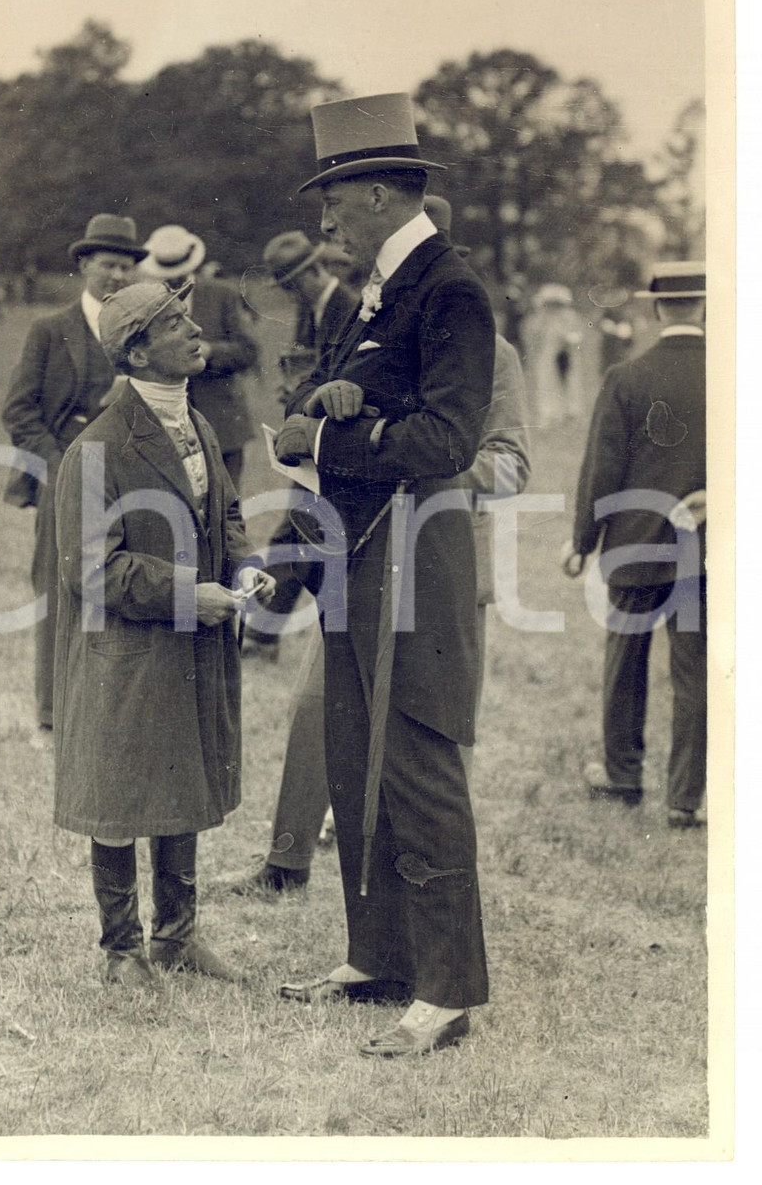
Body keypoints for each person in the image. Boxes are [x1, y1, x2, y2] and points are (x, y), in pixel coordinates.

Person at [274, 92, 496, 1058]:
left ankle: (445, 991)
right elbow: (316, 404)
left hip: (415, 551)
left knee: (416, 760)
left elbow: (447, 437)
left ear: (374, 194)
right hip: (355, 553)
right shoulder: (375, 294)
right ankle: (378, 958)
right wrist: (336, 398)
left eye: (333, 198)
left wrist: (330, 430)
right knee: (354, 755)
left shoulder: (451, 289)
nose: (324, 220)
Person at [229, 202, 530, 895]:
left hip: (442, 566)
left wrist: (409, 463)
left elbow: (511, 463)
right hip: (359, 558)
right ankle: (286, 861)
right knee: (316, 711)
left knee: (435, 738)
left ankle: (428, 883)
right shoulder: (363, 333)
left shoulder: (491, 350)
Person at [52, 281, 276, 987]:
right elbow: (92, 569)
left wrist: (245, 567)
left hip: (189, 647)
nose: (195, 328)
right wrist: (187, 593)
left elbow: (227, 516)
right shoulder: (97, 447)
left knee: (182, 779)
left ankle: (176, 936)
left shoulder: (200, 425)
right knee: (115, 794)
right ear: (138, 350)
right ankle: (121, 949)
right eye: (175, 322)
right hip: (128, 655)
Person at [561, 261, 707, 830]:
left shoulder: (627, 377)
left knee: (625, 665)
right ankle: (685, 800)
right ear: (705, 308)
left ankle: (623, 780)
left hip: (632, 545)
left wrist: (582, 540)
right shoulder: (737, 376)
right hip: (707, 547)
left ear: (654, 308)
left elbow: (602, 468)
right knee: (695, 671)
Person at [1, 213, 145, 732]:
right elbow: (19, 411)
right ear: (84, 265)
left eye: (127, 266)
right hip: (62, 477)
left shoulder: (138, 329)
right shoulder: (50, 330)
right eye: (108, 265)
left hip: (127, 480)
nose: (118, 277)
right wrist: (60, 469)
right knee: (59, 591)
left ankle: (107, 710)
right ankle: (51, 714)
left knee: (124, 591)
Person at [241, 231, 359, 662]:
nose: (292, 295)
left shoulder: (347, 308)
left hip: (334, 442)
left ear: (316, 269)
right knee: (306, 532)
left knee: (300, 531)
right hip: (311, 440)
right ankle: (266, 632)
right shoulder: (312, 309)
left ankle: (262, 631)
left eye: (294, 284)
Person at [141, 225, 258, 490]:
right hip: (171, 428)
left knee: (226, 509)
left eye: (178, 276)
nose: (173, 283)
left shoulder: (222, 295)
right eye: (167, 277)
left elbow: (248, 350)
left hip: (222, 424)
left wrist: (211, 351)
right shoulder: (148, 303)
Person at [521, 283, 585, 426]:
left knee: (571, 381)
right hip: (548, 354)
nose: (554, 307)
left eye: (557, 304)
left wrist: (570, 338)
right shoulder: (539, 318)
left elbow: (577, 334)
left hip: (567, 353)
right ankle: (550, 413)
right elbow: (531, 335)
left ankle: (571, 411)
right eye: (550, 303)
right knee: (547, 382)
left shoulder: (570, 316)